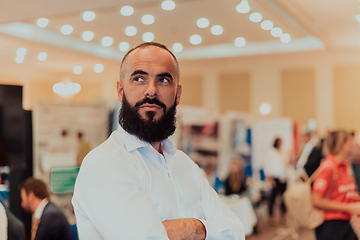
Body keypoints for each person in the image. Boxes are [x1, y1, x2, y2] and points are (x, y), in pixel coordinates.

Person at [72, 42, 244, 240]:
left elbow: (237, 231)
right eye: (139, 78)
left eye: (163, 80)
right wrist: (205, 228)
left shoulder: (184, 164)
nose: (151, 91)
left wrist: (195, 227)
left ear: (177, 95)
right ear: (120, 91)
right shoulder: (104, 163)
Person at [312, 131, 360, 240]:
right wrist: (348, 208)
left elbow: (346, 193)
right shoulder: (329, 167)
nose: (353, 144)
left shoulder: (344, 166)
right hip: (330, 225)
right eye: (349, 141)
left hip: (345, 222)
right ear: (342, 144)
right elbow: (316, 200)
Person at [263, 137, 288, 221]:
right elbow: (267, 165)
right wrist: (269, 177)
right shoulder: (270, 152)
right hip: (274, 176)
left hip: (283, 177)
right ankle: (271, 214)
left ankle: (283, 213)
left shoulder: (283, 152)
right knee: (273, 196)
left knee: (283, 196)